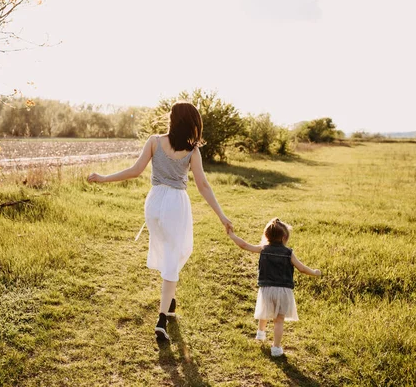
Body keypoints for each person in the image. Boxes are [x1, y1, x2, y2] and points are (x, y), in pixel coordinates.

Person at [87, 102, 233, 341]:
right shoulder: (192, 151)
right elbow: (203, 186)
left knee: (170, 255)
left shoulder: (154, 141)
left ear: (173, 120)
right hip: (175, 204)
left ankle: (170, 297)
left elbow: (135, 170)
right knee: (174, 258)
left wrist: (104, 178)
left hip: (154, 203)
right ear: (192, 124)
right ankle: (162, 318)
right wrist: (222, 215)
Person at [227, 218, 321, 357]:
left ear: (267, 236)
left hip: (267, 289)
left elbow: (244, 245)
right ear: (284, 237)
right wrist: (314, 272)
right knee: (279, 320)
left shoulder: (263, 249)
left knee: (265, 311)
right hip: (283, 290)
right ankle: (276, 348)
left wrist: (232, 235)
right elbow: (301, 268)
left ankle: (260, 333)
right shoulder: (288, 253)